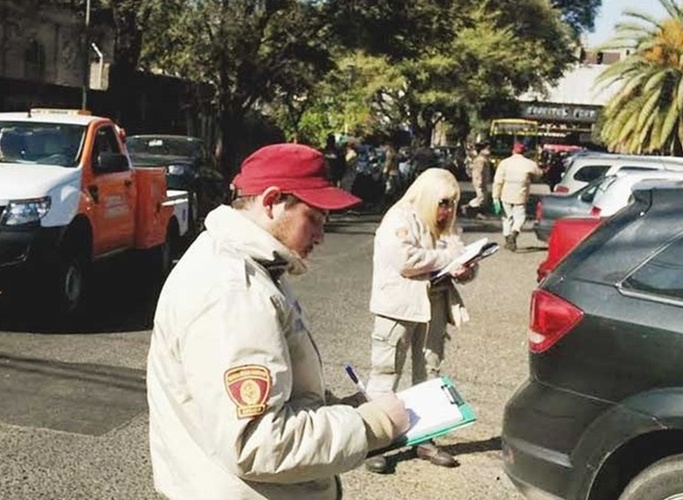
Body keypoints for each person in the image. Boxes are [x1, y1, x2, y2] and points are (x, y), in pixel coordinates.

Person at [146, 143, 411, 499]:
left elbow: (277, 392)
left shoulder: (256, 265)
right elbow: (258, 442)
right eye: (313, 219)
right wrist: (373, 424)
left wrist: (338, 407)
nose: (320, 236)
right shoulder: (232, 291)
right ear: (271, 201)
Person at [364, 167, 476, 474]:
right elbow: (406, 261)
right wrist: (448, 260)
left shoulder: (446, 223)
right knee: (387, 373)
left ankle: (425, 439)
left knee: (429, 372)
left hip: (434, 305)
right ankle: (375, 443)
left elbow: (459, 254)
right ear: (427, 197)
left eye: (452, 203)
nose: (448, 210)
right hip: (398, 307)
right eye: (443, 203)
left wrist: (466, 268)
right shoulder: (398, 218)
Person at [491, 142, 543, 252]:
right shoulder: (529, 163)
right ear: (524, 152)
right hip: (521, 194)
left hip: (505, 194)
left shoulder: (504, 163)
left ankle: (507, 237)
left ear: (513, 151)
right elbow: (539, 174)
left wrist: (495, 197)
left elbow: (498, 181)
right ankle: (514, 232)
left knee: (506, 217)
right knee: (520, 216)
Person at [462, 144, 490, 217]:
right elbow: (478, 171)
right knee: (481, 198)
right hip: (479, 181)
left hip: (482, 181)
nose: (489, 151)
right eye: (486, 149)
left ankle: (477, 212)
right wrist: (479, 181)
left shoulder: (483, 159)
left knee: (484, 197)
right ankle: (468, 206)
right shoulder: (480, 160)